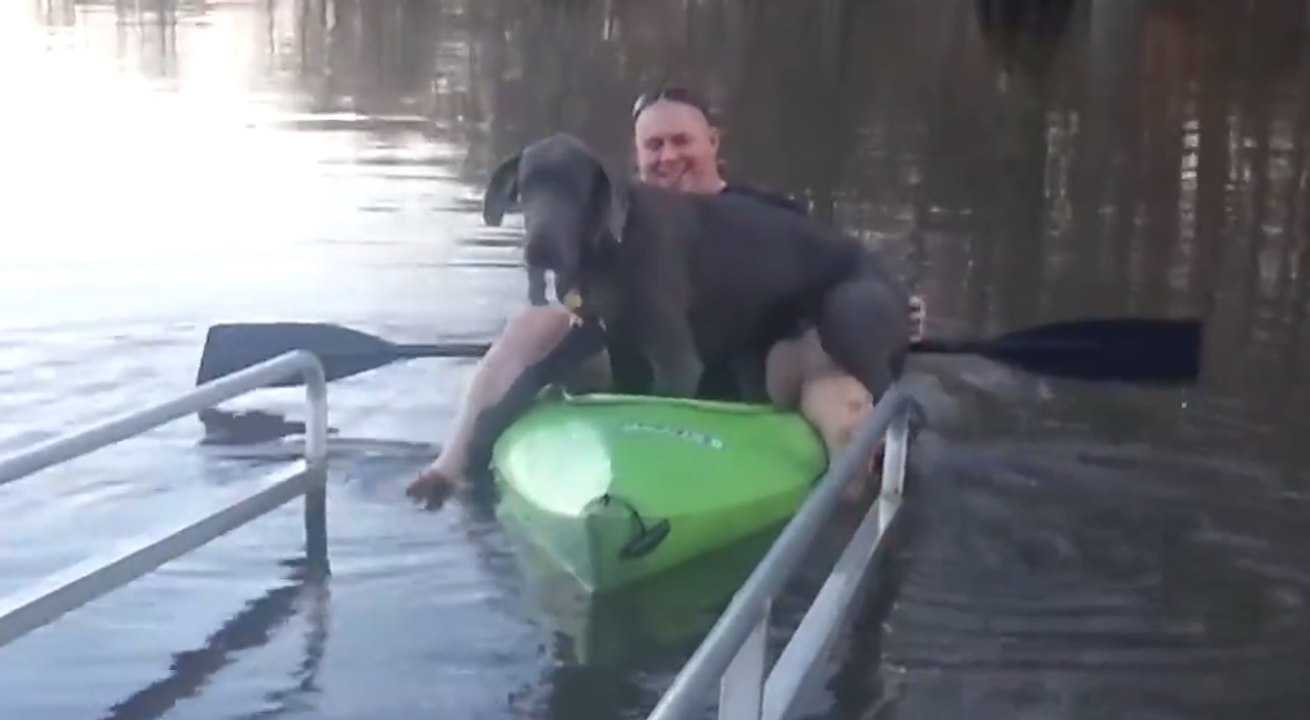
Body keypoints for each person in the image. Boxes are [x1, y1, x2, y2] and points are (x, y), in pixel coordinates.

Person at [407, 86, 925, 508]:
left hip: (764, 361)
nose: (669, 155)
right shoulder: (608, 227)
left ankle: (862, 482)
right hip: (649, 358)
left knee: (829, 360)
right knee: (535, 324)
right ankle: (451, 464)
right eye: (654, 145)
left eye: (682, 141)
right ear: (634, 157)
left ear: (713, 142)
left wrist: (896, 313)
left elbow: (845, 263)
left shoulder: (768, 213)